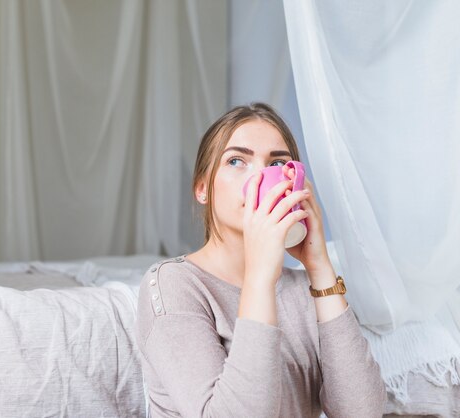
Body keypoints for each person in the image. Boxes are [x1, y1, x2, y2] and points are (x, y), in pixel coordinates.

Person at [135, 103, 387, 417]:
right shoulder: (174, 284)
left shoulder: (301, 290)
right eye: (236, 160)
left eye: (277, 163)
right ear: (202, 189)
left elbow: (362, 412)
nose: (257, 177)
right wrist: (260, 277)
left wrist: (320, 268)